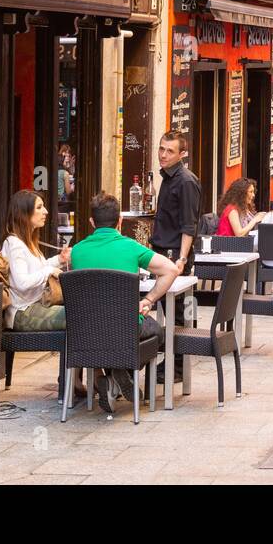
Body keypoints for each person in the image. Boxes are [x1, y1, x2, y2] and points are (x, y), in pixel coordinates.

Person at [70, 192, 180, 412]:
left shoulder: (76, 251)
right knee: (157, 331)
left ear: (92, 222)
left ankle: (110, 378)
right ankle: (122, 369)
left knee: (105, 332)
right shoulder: (130, 247)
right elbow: (171, 269)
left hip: (84, 331)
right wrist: (148, 299)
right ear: (120, 221)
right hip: (125, 327)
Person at [2, 190, 70, 332]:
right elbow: (22, 283)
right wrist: (50, 271)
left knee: (82, 312)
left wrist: (59, 259)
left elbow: (38, 268)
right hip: (22, 312)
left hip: (37, 305)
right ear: (24, 214)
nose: (45, 211)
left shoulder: (27, 242)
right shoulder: (14, 244)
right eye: (39, 207)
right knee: (79, 316)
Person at [150, 130, 201, 273]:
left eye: (170, 151)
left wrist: (182, 259)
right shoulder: (168, 176)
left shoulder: (186, 181)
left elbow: (189, 224)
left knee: (172, 296)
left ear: (182, 154)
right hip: (161, 252)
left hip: (174, 255)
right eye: (161, 149)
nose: (163, 155)